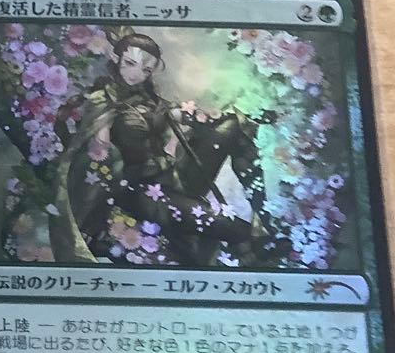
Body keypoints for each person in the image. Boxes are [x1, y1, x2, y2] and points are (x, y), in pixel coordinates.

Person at [57, 32, 282, 265]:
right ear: (116, 59)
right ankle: (251, 247)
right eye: (130, 63)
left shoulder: (144, 94)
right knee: (234, 228)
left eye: (146, 70)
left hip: (171, 173)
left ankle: (264, 217)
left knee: (232, 125)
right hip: (140, 192)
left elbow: (164, 115)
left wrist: (192, 116)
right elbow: (100, 155)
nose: (137, 74)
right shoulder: (102, 100)